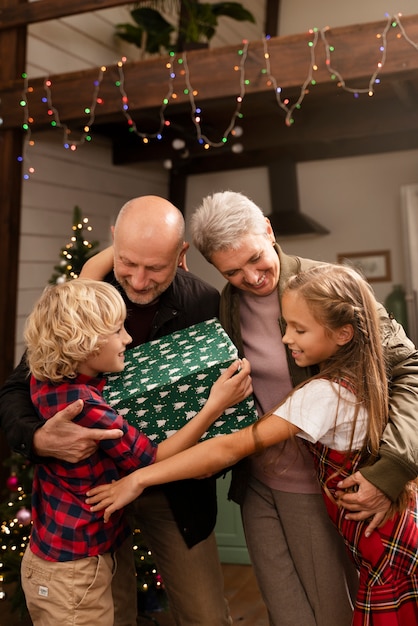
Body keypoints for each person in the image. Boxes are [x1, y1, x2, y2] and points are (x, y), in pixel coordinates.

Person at [86, 263, 418, 626]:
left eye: (299, 329)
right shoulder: (367, 373)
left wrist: (138, 478)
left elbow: (230, 447)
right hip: (396, 534)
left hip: (383, 545)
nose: (286, 338)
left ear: (343, 334)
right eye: (285, 325)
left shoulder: (323, 395)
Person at [0, 196, 235, 626]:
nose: (140, 280)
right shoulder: (83, 301)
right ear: (112, 245)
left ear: (181, 256)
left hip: (174, 492)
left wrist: (207, 457)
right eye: (128, 262)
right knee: (112, 611)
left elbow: (220, 391)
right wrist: (37, 439)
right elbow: (21, 384)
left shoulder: (203, 302)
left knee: (206, 616)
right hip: (92, 502)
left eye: (155, 268)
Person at [20, 278, 251, 626]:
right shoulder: (87, 407)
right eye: (117, 332)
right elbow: (153, 457)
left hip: (60, 554)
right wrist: (213, 406)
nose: (128, 339)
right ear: (84, 344)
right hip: (75, 570)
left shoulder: (51, 379)